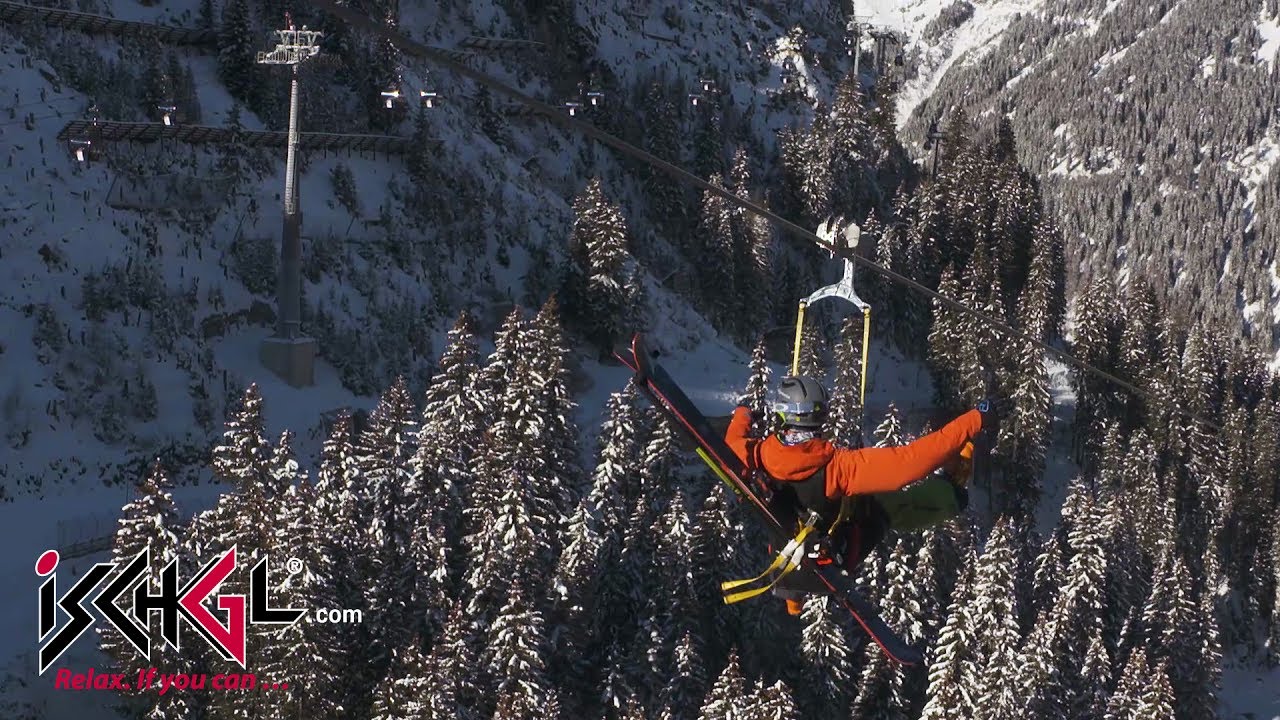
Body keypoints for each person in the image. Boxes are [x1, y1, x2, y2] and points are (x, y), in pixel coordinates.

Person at [723, 375, 988, 615]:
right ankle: (952, 493)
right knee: (889, 506)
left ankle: (794, 600)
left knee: (862, 507)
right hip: (838, 547)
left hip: (785, 554)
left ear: (782, 416)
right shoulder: (839, 467)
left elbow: (731, 444)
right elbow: (911, 462)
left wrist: (743, 415)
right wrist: (975, 420)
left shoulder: (755, 456)